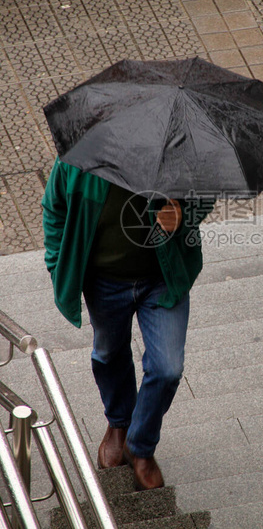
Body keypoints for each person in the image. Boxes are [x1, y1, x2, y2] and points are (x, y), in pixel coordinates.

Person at [42, 157, 213, 490]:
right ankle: (119, 423)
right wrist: (55, 263)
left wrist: (185, 214)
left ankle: (140, 446)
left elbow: (206, 192)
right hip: (103, 282)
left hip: (162, 280)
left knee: (167, 368)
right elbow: (54, 208)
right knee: (108, 353)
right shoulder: (78, 158)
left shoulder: (173, 151)